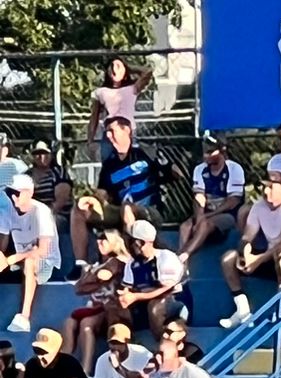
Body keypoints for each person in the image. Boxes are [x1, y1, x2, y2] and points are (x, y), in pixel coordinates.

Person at [221, 172, 281, 330]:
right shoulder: (259, 206)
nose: (266, 191)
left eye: (271, 187)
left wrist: (257, 260)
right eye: (264, 187)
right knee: (228, 259)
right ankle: (242, 310)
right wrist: (246, 253)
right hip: (270, 258)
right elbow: (247, 236)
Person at [68, 117, 159, 275]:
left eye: (112, 131)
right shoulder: (109, 164)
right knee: (79, 209)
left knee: (127, 208)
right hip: (120, 211)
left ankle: (132, 261)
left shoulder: (146, 153)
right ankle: (81, 265)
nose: (108, 136)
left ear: (127, 131)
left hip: (149, 211)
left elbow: (175, 173)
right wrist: (92, 200)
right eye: (107, 132)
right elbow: (103, 195)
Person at [2, 175, 60, 335]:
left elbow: (43, 250)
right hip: (19, 262)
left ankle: (24, 317)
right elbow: (3, 242)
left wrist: (14, 258)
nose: (13, 197)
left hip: (46, 263)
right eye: (10, 193)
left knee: (30, 262)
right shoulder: (8, 211)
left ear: (29, 193)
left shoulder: (41, 212)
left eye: (17, 193)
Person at [62, 228, 129, 365]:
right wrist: (93, 279)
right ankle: (64, 360)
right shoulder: (97, 264)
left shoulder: (118, 261)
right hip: (95, 307)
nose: (100, 242)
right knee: (69, 322)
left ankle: (85, 368)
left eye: (104, 239)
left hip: (111, 308)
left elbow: (104, 275)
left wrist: (90, 277)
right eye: (98, 238)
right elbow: (79, 288)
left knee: (87, 324)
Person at [113, 219, 191, 334]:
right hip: (144, 302)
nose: (129, 243)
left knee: (154, 307)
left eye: (132, 240)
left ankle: (164, 344)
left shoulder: (166, 257)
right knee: (115, 307)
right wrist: (124, 295)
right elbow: (128, 287)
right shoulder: (132, 263)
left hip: (175, 300)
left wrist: (136, 296)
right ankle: (128, 343)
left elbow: (165, 289)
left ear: (142, 242)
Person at [178, 134, 246, 260]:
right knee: (185, 226)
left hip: (229, 215)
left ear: (222, 151)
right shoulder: (200, 169)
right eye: (205, 152)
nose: (205, 156)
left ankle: (184, 255)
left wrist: (206, 216)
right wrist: (198, 216)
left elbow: (233, 201)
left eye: (210, 152)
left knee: (205, 223)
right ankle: (181, 264)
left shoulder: (234, 169)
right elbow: (199, 197)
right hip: (206, 213)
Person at [85, 56, 152, 150]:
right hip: (110, 134)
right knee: (110, 162)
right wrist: (90, 140)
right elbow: (94, 118)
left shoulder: (132, 88)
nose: (114, 69)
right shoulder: (100, 92)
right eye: (111, 66)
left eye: (118, 66)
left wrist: (130, 68)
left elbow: (148, 71)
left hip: (129, 132)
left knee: (129, 160)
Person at [27, 142, 72, 219]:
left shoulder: (59, 173)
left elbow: (61, 201)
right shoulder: (27, 175)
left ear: (51, 154)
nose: (41, 156)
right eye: (37, 153)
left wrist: (45, 215)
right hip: (32, 215)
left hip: (57, 215)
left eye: (45, 153)